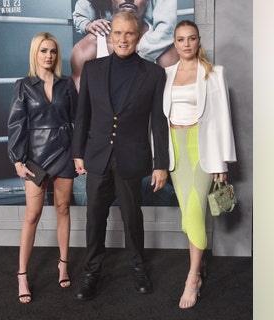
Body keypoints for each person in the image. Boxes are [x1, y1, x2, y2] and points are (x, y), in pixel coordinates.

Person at [71, 11, 169, 301]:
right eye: (118, 33)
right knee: (94, 218)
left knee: (131, 218)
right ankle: (91, 273)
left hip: (132, 158)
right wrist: (78, 153)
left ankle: (138, 268)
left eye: (129, 34)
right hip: (97, 156)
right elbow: (83, 114)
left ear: (138, 38)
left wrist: (160, 164)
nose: (123, 39)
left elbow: (159, 121)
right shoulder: (92, 69)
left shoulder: (154, 74)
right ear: (110, 35)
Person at [163, 20, 237, 309]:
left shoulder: (214, 73)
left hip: (201, 147)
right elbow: (159, 119)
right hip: (175, 149)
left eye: (191, 38)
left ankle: (193, 277)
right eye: (181, 39)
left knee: (194, 211)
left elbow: (223, 119)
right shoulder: (167, 74)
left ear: (198, 41)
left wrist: (222, 162)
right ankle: (200, 261)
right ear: (174, 42)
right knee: (188, 213)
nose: (186, 44)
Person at [7, 32, 78, 303]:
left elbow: (77, 119)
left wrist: (78, 154)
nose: (49, 56)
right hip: (35, 158)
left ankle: (63, 263)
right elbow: (16, 124)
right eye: (43, 51)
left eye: (53, 51)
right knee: (32, 215)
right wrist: (17, 159)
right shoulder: (23, 85)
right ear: (35, 53)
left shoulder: (66, 84)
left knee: (63, 209)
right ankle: (22, 275)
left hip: (64, 152)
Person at [70, 0, 179, 91]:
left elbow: (170, 103)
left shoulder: (165, 51)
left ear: (148, 2)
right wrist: (86, 24)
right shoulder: (87, 48)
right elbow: (81, 107)